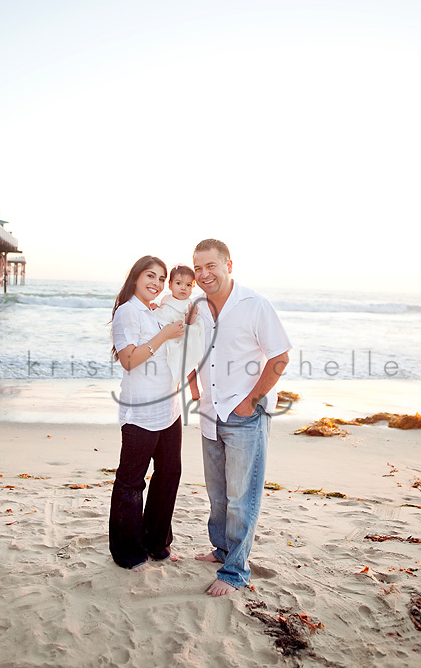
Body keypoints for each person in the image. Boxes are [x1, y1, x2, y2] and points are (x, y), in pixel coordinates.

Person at [192, 239, 291, 596]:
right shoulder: (197, 308)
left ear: (228, 265)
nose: (204, 274)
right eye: (198, 268)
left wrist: (251, 401)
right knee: (218, 496)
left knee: (241, 498)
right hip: (209, 414)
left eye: (211, 266)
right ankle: (221, 551)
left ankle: (235, 572)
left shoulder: (254, 305)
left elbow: (280, 355)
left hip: (244, 416)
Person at [109, 256, 185, 570]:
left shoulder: (154, 311)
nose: (155, 283)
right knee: (131, 481)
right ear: (136, 277)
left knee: (169, 475)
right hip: (141, 410)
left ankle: (157, 542)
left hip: (169, 407)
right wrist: (164, 334)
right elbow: (128, 359)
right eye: (149, 276)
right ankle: (128, 552)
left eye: (160, 278)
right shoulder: (128, 311)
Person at [153, 264, 205, 401]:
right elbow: (163, 313)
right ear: (170, 285)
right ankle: (173, 391)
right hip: (166, 337)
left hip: (180, 338)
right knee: (172, 367)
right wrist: (155, 308)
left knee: (187, 364)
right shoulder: (166, 299)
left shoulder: (189, 304)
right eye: (178, 283)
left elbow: (188, 323)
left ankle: (194, 389)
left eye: (188, 285)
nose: (183, 288)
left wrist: (192, 314)